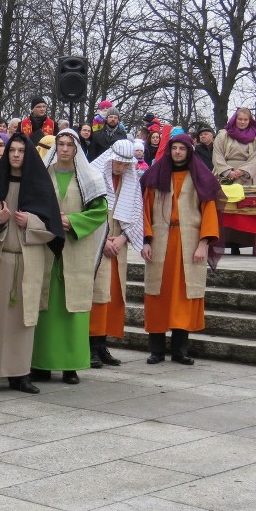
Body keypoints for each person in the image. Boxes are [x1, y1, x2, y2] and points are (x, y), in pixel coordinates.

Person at [0, 133, 64, 395]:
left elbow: (53, 229)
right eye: (12, 150)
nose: (15, 155)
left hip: (27, 260)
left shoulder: (39, 186)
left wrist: (30, 222)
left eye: (21, 151)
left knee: (22, 321)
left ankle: (19, 375)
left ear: (28, 155)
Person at [32, 130, 108, 384]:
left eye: (69, 145)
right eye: (60, 144)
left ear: (76, 149)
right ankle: (41, 363)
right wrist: (49, 222)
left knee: (72, 305)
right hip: (46, 247)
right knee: (46, 304)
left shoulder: (89, 178)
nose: (64, 149)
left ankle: (70, 365)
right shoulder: (43, 175)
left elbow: (99, 212)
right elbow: (32, 205)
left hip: (75, 248)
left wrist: (72, 221)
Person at [140, 133, 222, 365]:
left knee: (183, 297)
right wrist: (146, 240)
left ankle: (180, 350)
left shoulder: (200, 178)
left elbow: (208, 212)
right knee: (158, 296)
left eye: (182, 149)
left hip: (188, 244)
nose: (177, 152)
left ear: (188, 151)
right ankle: (156, 350)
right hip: (160, 242)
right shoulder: (155, 176)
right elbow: (144, 211)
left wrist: (203, 244)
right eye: (174, 147)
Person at [88, 140, 144, 368]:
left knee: (113, 295)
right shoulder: (94, 177)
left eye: (124, 164)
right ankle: (89, 344)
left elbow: (135, 213)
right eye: (117, 162)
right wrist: (103, 241)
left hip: (118, 245)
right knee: (96, 295)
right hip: (96, 245)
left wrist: (122, 238)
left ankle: (102, 344)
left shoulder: (131, 181)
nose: (120, 168)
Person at [212, 107, 256, 185]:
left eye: (245, 120)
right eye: (240, 119)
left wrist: (243, 171)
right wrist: (227, 171)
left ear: (250, 121)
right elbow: (217, 155)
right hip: (225, 175)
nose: (242, 122)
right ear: (235, 119)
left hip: (248, 175)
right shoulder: (222, 135)